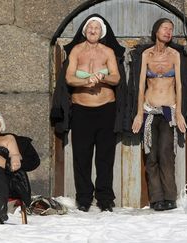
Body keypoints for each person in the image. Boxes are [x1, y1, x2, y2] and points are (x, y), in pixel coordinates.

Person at [51, 14, 126, 212]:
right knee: (81, 155)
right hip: (82, 109)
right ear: (85, 31)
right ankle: (83, 198)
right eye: (90, 27)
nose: (93, 30)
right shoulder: (76, 51)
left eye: (97, 28)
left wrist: (103, 77)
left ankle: (105, 198)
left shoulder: (108, 51)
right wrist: (85, 81)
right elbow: (69, 78)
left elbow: (116, 77)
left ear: (102, 32)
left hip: (106, 109)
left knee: (105, 156)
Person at [131, 18, 187, 211]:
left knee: (166, 154)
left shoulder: (175, 54)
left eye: (171, 29)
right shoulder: (146, 55)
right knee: (151, 156)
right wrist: (139, 113)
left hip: (168, 111)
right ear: (156, 31)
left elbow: (181, 85)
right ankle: (156, 198)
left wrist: (181, 113)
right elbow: (141, 84)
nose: (168, 32)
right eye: (164, 28)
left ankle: (169, 197)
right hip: (150, 110)